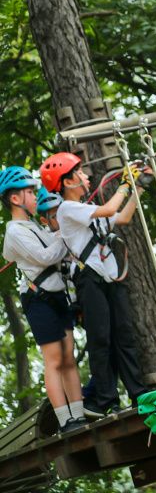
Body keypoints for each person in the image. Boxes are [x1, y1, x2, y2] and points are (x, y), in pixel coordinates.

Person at [39, 152, 151, 417]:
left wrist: (138, 188)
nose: (86, 176)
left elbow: (121, 217)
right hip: (89, 280)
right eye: (79, 172)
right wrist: (124, 183)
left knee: (124, 334)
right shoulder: (67, 209)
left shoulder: (86, 210)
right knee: (101, 338)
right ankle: (106, 400)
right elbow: (111, 208)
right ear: (67, 182)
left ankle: (138, 394)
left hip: (109, 277)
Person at [0, 166, 86, 433]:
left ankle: (79, 414)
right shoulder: (15, 231)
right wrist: (64, 233)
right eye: (29, 192)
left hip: (58, 296)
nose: (36, 195)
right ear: (15, 199)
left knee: (69, 357)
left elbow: (56, 247)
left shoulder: (33, 225)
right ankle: (65, 419)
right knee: (55, 360)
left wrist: (60, 233)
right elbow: (47, 257)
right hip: (39, 300)